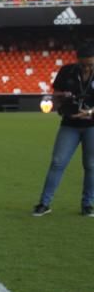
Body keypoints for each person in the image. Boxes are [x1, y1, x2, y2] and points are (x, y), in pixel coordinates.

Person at [32, 43, 94, 217]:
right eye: (84, 64)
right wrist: (60, 103)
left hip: (92, 125)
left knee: (91, 165)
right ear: (77, 61)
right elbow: (56, 94)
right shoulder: (67, 71)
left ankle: (87, 204)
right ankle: (45, 203)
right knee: (57, 162)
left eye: (90, 64)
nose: (87, 67)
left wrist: (89, 111)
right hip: (70, 124)